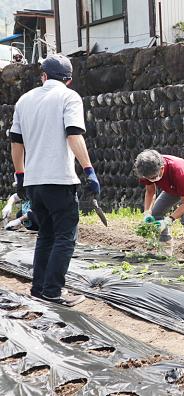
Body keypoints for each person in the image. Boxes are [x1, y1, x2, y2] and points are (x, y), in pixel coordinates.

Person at [10, 54, 100, 307]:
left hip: (33, 182)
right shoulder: (69, 97)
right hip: (59, 180)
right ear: (69, 80)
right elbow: (74, 135)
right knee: (65, 237)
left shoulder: (24, 100)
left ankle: (39, 288)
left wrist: (20, 176)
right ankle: (53, 291)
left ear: (44, 76)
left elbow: (16, 143)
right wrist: (89, 170)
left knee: (46, 235)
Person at [134, 150, 184, 262]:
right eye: (149, 178)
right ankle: (165, 252)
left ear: (162, 168)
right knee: (156, 213)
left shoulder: (179, 171)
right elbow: (150, 191)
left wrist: (168, 221)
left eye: (154, 177)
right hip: (173, 187)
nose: (152, 179)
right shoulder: (145, 168)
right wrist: (147, 212)